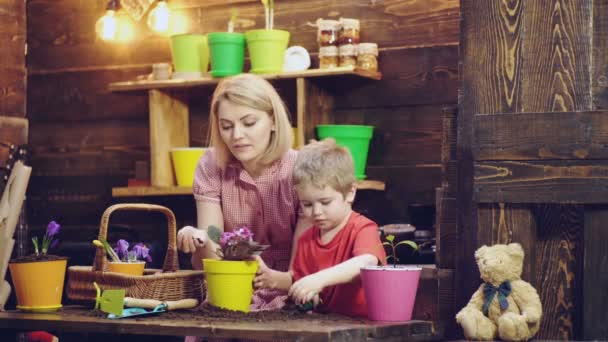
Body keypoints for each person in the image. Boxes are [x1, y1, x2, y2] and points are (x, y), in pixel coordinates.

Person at [176, 73, 309, 312]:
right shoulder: (210, 166)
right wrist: (200, 239)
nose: (236, 135)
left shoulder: (300, 169)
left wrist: (278, 282)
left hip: (291, 290)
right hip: (230, 287)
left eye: (248, 123)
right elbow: (213, 256)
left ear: (274, 122)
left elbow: (303, 265)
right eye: (226, 126)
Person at [254, 138, 386, 318]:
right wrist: (271, 278)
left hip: (362, 329)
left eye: (325, 202)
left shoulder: (362, 228)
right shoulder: (307, 239)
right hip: (324, 327)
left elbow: (366, 263)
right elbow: (299, 280)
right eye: (307, 204)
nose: (316, 212)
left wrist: (319, 279)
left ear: (350, 193)